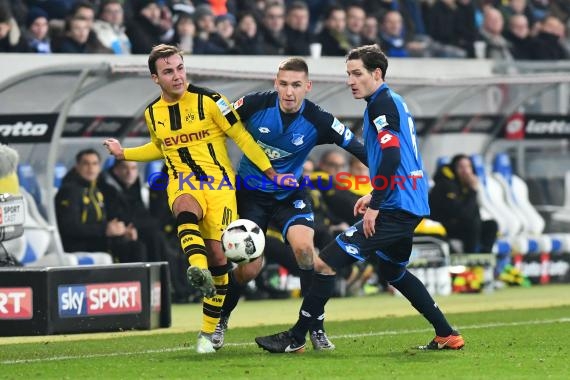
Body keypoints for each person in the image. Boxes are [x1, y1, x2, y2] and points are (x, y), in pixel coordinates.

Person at [255, 45, 465, 353]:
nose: (350, 80)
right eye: (348, 74)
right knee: (392, 272)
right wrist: (374, 193)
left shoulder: (381, 105)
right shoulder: (391, 101)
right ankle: (447, 333)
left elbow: (392, 156)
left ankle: (297, 337)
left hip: (396, 207)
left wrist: (377, 204)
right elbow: (397, 159)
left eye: (357, 74)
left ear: (376, 74)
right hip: (405, 201)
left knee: (324, 263)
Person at [103, 44, 295, 354]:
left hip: (220, 187)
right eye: (168, 71)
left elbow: (242, 138)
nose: (177, 76)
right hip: (182, 180)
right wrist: (124, 153)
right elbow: (160, 148)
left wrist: (271, 173)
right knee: (184, 208)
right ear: (156, 78)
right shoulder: (153, 112)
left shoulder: (212, 101)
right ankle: (197, 269)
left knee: (220, 262)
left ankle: (208, 332)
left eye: (179, 68)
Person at [211, 57, 367, 351]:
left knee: (306, 252)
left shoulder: (318, 119)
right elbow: (216, 126)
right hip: (251, 196)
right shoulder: (255, 104)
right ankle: (221, 319)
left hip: (290, 195)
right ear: (276, 83)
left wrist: (386, 180)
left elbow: (356, 146)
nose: (289, 92)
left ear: (307, 87)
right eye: (283, 84)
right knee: (248, 270)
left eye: (296, 85)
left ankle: (314, 327)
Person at [55, 149, 147, 263]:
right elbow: (69, 227)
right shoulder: (69, 191)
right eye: (86, 163)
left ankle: (149, 280)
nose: (91, 168)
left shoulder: (96, 190)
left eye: (95, 164)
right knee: (134, 249)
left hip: (98, 240)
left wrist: (122, 232)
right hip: (79, 245)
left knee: (138, 244)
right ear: (77, 167)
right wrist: (105, 230)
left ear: (99, 168)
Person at [429, 154, 498, 253]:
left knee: (491, 225)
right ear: (454, 169)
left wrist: (472, 190)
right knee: (472, 223)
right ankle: (470, 257)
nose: (466, 171)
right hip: (444, 226)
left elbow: (472, 211)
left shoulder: (465, 185)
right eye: (461, 167)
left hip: (461, 224)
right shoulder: (446, 185)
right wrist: (473, 191)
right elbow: (461, 213)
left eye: (468, 167)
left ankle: (485, 257)